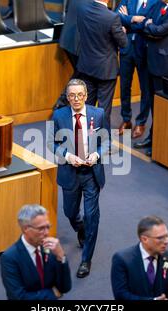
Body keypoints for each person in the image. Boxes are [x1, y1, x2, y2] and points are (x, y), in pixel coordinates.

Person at [47, 79, 109, 278]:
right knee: (70, 213)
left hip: (91, 174)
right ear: (67, 96)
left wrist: (96, 155)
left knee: (92, 217)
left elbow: (108, 141)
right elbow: (51, 143)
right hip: (69, 173)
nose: (75, 99)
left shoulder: (98, 114)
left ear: (86, 96)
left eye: (79, 95)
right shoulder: (58, 115)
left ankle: (86, 260)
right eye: (71, 95)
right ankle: (80, 229)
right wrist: (67, 156)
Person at [133, 0, 168, 156]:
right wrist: (149, 26)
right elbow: (147, 23)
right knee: (153, 103)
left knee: (164, 107)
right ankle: (153, 136)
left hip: (165, 65)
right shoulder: (159, 5)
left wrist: (150, 27)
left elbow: (158, 31)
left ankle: (162, 143)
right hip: (152, 61)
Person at [0, 204, 72, 300]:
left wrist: (61, 257)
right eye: (41, 228)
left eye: (48, 227)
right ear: (25, 228)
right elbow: (18, 297)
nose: (46, 233)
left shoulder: (51, 249)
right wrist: (51, 294)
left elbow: (64, 288)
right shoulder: (10, 257)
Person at [76, 0, 128, 131]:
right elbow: (123, 43)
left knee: (87, 107)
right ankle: (102, 145)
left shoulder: (81, 8)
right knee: (103, 110)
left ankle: (85, 142)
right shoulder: (112, 17)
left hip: (87, 66)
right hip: (106, 71)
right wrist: (122, 31)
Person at [111, 215, 168, 300]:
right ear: (144, 239)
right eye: (160, 238)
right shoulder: (122, 259)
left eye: (167, 236)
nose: (166, 241)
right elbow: (121, 295)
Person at [116, 0, 156, 139]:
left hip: (143, 50)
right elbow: (117, 16)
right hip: (126, 49)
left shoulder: (156, 2)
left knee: (145, 88)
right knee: (124, 86)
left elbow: (150, 23)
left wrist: (128, 23)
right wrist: (132, 19)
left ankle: (141, 122)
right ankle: (126, 119)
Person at [53, 0, 93, 109]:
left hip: (68, 38)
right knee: (82, 73)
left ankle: (63, 104)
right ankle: (61, 103)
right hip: (78, 43)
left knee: (80, 73)